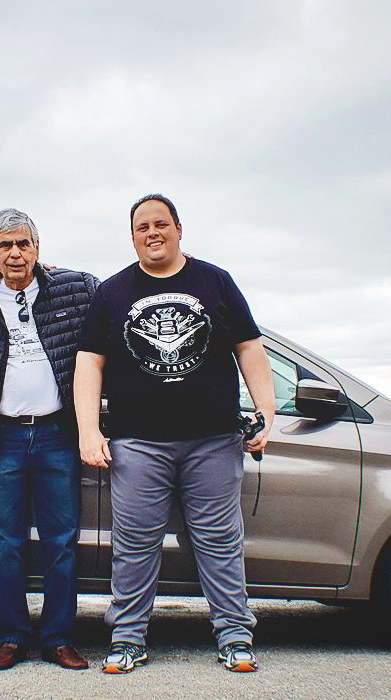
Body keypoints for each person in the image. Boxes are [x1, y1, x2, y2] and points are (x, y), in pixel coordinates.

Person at [73, 193, 276, 674]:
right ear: (132, 237)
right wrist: (88, 429)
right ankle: (127, 639)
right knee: (134, 546)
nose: (152, 233)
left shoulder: (215, 281)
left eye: (160, 224)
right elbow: (89, 362)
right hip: (137, 443)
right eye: (142, 227)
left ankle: (235, 638)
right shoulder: (112, 292)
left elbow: (249, 348)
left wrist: (265, 410)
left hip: (213, 440)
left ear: (179, 229)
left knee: (219, 543)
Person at [0, 208, 99, 671]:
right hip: (1, 438)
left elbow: (119, 306)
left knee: (62, 542)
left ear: (38, 249)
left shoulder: (75, 288)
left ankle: (58, 639)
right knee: (6, 544)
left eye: (23, 244)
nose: (15, 253)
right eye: (6, 245)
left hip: (57, 433)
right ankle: (11, 637)